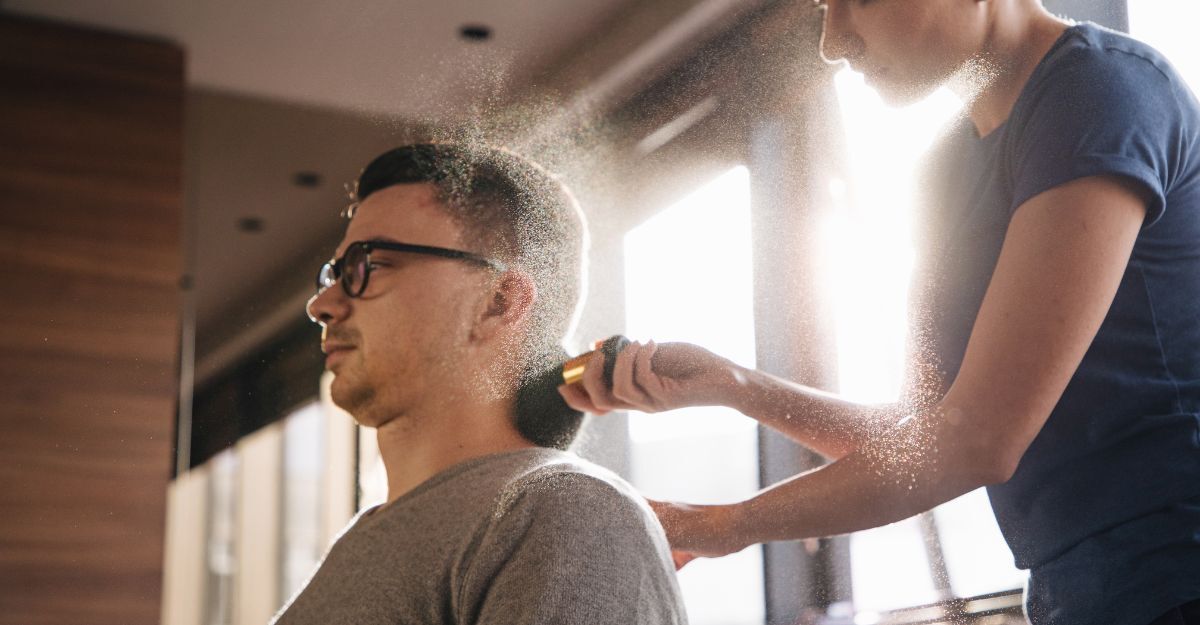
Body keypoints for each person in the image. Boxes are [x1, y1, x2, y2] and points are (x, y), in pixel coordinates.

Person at [560, 1, 1200, 624]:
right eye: (824, 6)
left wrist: (719, 526)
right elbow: (919, 436)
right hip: (1078, 594)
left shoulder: (1098, 90)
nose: (832, 41)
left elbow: (978, 440)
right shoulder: (940, 172)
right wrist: (732, 385)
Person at [276, 143, 687, 625]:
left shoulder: (563, 511)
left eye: (370, 264)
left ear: (500, 301)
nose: (322, 305)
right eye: (334, 274)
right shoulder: (360, 544)